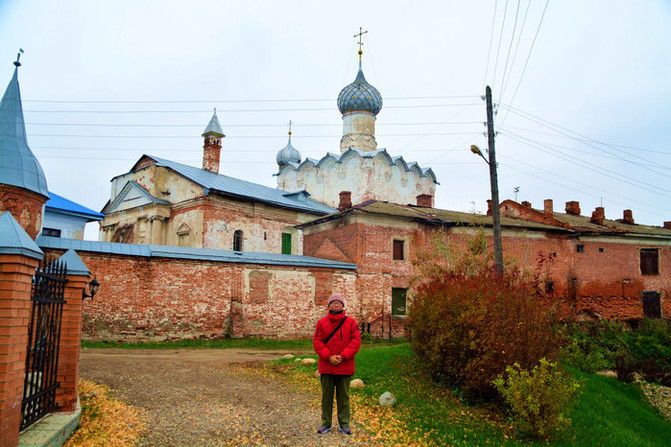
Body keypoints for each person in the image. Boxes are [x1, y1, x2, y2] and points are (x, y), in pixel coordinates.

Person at [313, 293, 361, 435]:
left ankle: (344, 424)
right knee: (326, 397)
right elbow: (317, 342)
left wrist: (342, 356)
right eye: (333, 302)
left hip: (344, 365)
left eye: (338, 302)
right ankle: (325, 423)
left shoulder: (351, 323)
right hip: (327, 366)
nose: (335, 305)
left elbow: (355, 342)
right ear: (329, 306)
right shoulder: (321, 323)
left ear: (342, 305)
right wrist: (329, 357)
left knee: (344, 397)